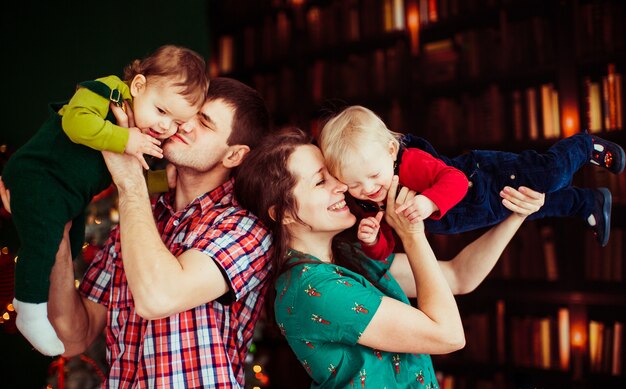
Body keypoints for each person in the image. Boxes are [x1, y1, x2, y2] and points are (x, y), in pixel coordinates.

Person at [2, 77, 273, 388]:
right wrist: (54, 229)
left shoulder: (245, 226)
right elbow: (73, 337)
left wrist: (129, 179)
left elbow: (157, 297)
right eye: (188, 115)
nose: (183, 126)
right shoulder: (142, 219)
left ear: (233, 156)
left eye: (205, 123)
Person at [234, 128, 545, 388]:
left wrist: (516, 214)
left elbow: (458, 276)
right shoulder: (314, 289)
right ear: (284, 213)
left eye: (333, 175)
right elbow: (448, 335)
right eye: (320, 181)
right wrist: (411, 234)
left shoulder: (348, 254)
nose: (342, 185)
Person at [0, 44, 208, 355]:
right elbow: (75, 123)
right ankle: (29, 308)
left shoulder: (140, 133)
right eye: (162, 111)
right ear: (138, 86)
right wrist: (126, 139)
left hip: (67, 196)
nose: (165, 126)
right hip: (40, 175)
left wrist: (163, 180)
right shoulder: (107, 91)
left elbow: (128, 174)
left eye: (177, 123)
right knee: (43, 242)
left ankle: (37, 304)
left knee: (66, 249)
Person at [319, 105, 625, 262]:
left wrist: (428, 201)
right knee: (537, 206)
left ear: (390, 151)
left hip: (488, 179)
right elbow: (387, 249)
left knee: (552, 175)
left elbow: (456, 180)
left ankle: (586, 146)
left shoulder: (410, 163)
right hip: (482, 211)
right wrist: (373, 240)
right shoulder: (369, 202)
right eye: (354, 184)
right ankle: (589, 202)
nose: (368, 188)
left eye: (373, 175)